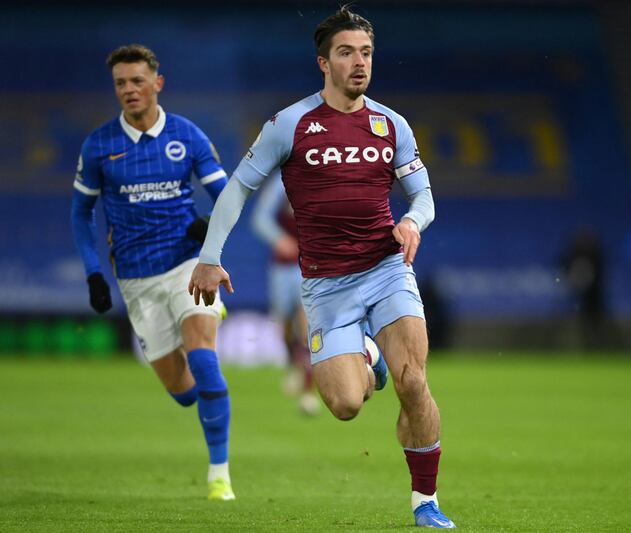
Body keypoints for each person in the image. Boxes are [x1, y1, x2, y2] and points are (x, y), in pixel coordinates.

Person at [188, 7, 456, 528]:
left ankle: (426, 502)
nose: (359, 63)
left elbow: (422, 194)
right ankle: (369, 352)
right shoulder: (290, 124)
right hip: (326, 286)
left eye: (366, 53)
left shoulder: (390, 123)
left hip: (386, 269)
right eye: (346, 52)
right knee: (345, 405)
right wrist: (209, 256)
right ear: (323, 62)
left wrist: (413, 224)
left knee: (413, 381)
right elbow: (239, 187)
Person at [71, 44, 235, 501]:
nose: (129, 89)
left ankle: (219, 475)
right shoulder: (100, 145)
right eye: (121, 82)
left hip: (188, 265)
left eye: (137, 80)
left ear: (157, 83)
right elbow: (80, 214)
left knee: (204, 360)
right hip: (136, 279)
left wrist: (211, 237)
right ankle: (194, 360)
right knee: (184, 392)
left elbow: (227, 196)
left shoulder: (188, 136)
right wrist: (93, 274)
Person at [250, 175, 320, 415]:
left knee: (306, 325)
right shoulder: (280, 185)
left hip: (310, 266)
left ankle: (308, 391)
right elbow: (260, 219)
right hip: (282, 267)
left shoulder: (321, 179)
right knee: (284, 326)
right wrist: (280, 239)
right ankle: (295, 367)